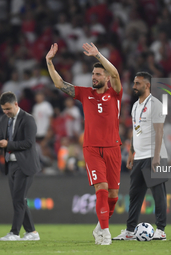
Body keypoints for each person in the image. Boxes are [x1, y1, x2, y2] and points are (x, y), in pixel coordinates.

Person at [46, 43, 122, 245]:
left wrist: (98, 54)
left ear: (106, 78)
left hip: (114, 148)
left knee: (113, 196)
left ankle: (99, 226)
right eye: (93, 74)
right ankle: (105, 233)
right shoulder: (84, 93)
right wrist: (49, 62)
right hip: (92, 149)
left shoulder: (115, 93)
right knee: (102, 189)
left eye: (98, 74)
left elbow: (115, 73)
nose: (94, 77)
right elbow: (60, 84)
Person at [113, 72, 168, 241]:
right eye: (134, 83)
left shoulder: (156, 104)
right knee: (134, 195)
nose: (134, 86)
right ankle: (130, 231)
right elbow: (135, 131)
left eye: (137, 83)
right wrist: (131, 152)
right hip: (139, 157)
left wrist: (157, 157)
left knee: (159, 195)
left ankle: (161, 230)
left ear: (147, 85)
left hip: (154, 155)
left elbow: (159, 132)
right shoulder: (136, 105)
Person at [0, 92, 41, 241]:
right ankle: (32, 233)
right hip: (11, 163)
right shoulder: (4, 119)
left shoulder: (28, 120)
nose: (6, 112)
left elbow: (28, 143)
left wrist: (8, 144)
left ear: (16, 104)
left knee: (18, 199)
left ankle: (14, 233)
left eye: (8, 108)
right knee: (19, 199)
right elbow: (3, 138)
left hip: (25, 164)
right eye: (3, 109)